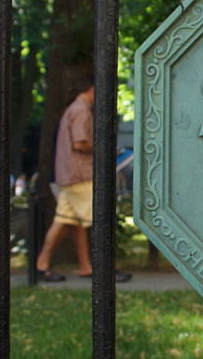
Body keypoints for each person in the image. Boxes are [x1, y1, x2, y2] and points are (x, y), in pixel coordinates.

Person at [36, 76, 131, 282]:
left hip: (69, 176)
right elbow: (80, 144)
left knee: (67, 221)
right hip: (81, 175)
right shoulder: (81, 110)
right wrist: (106, 150)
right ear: (93, 89)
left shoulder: (72, 109)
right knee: (100, 221)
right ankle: (104, 269)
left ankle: (51, 265)